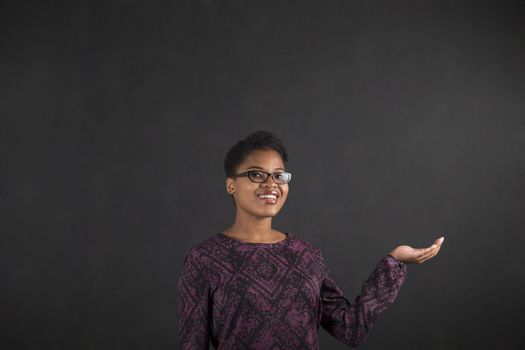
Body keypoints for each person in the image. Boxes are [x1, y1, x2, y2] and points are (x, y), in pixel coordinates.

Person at [177, 130, 444, 349]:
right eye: (256, 174)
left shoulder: (305, 255)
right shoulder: (204, 259)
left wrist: (393, 263)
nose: (271, 184)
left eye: (279, 175)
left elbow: (349, 329)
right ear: (230, 185)